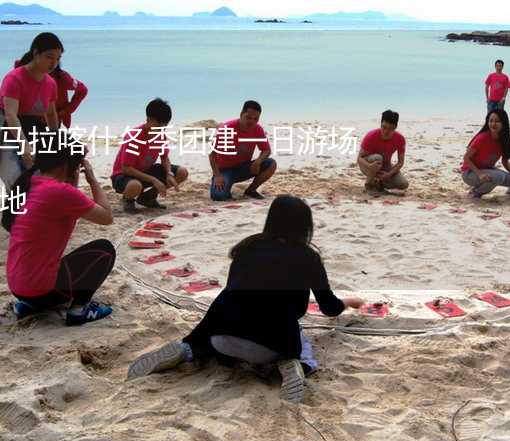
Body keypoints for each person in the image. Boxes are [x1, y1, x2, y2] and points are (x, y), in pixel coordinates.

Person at [127, 195, 364, 403]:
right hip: (268, 345)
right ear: (305, 227)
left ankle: (186, 350)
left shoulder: (247, 247)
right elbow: (329, 308)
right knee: (300, 341)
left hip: (219, 336)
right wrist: (349, 302)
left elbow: (234, 289)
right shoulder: (308, 257)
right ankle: (295, 365)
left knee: (225, 328)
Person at [4, 132, 116, 325]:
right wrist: (92, 179)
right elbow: (107, 217)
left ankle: (30, 305)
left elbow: (68, 195)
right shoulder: (60, 192)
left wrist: (73, 173)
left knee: (49, 261)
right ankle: (79, 310)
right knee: (104, 250)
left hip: (18, 287)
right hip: (41, 291)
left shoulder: (30, 184)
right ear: (67, 164)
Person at [0, 32, 62, 190]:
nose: (54, 63)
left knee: (39, 182)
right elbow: (11, 115)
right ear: (36, 53)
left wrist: (56, 139)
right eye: (49, 57)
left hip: (33, 132)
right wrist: (24, 145)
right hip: (4, 133)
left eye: (57, 59)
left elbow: (50, 114)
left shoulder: (50, 83)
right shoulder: (14, 78)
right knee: (16, 183)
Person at [110, 98, 189, 213]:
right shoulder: (134, 136)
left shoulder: (160, 134)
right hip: (123, 175)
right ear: (149, 119)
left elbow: (164, 157)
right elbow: (126, 168)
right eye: (159, 125)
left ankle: (147, 198)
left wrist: (169, 173)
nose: (161, 129)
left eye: (164, 126)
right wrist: (153, 180)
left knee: (182, 172)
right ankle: (128, 200)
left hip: (145, 171)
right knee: (135, 186)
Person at [210, 100, 277, 201]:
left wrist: (258, 161)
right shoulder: (226, 129)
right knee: (218, 196)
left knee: (271, 164)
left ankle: (251, 190)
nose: (252, 122)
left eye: (256, 119)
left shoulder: (257, 129)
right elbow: (212, 154)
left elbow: (266, 150)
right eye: (248, 117)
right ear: (241, 114)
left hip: (243, 168)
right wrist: (217, 175)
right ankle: (225, 186)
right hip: (224, 170)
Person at [460, 109, 510, 198]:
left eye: (497, 121)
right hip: (470, 173)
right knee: (498, 177)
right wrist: (479, 174)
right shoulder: (482, 138)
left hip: (488, 170)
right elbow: (466, 158)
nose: (493, 124)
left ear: (503, 123)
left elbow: (505, 161)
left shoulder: (504, 140)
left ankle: (509, 193)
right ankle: (475, 192)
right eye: (491, 121)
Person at [357, 110, 409, 192]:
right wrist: (369, 166)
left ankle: (379, 183)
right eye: (384, 127)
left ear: (395, 127)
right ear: (381, 124)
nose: (386, 131)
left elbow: (400, 162)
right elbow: (359, 158)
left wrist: (389, 174)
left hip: (386, 166)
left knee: (403, 184)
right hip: (369, 164)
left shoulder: (400, 139)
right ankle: (369, 184)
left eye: (390, 128)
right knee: (378, 158)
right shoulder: (371, 136)